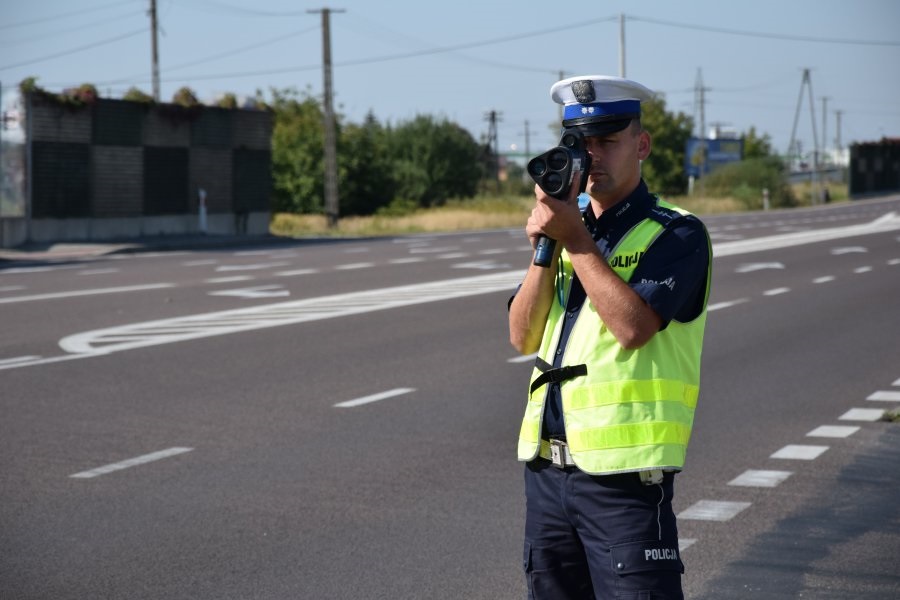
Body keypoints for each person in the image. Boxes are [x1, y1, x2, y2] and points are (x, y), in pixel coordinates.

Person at [508, 75, 713, 599]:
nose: (591, 156)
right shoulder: (567, 231)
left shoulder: (676, 232)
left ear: (640, 145)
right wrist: (544, 249)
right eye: (580, 143)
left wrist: (574, 241)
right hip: (548, 475)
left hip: (623, 483)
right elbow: (521, 335)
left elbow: (632, 327)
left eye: (607, 140)